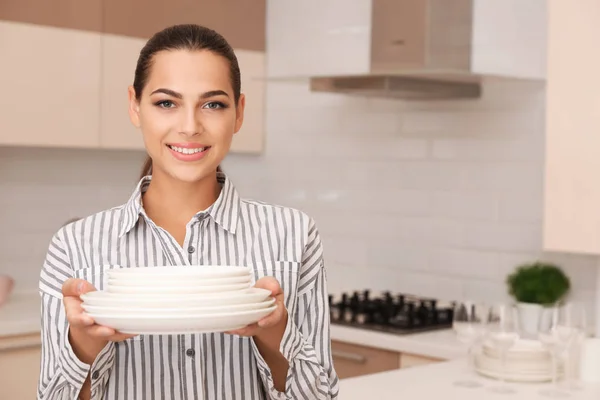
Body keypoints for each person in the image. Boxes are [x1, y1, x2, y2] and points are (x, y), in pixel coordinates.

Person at [38, 24, 339, 400]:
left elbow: (320, 396)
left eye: (213, 104)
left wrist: (274, 334)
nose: (190, 127)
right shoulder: (74, 248)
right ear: (135, 106)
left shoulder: (293, 236)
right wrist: (82, 345)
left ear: (239, 112)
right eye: (167, 103)